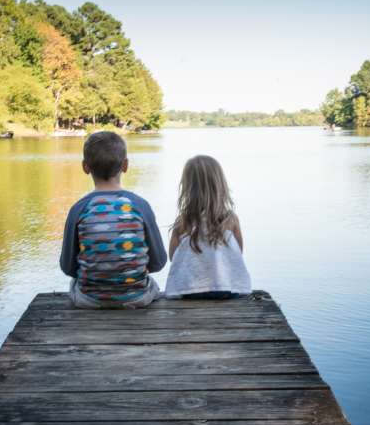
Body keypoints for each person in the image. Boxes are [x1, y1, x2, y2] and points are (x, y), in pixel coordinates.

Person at [60, 131, 167, 308]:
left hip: (90, 300)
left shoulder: (79, 209)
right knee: (153, 285)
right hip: (136, 298)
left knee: (73, 284)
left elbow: (68, 267)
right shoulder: (140, 205)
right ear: (125, 165)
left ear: (85, 167)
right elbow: (158, 262)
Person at [165, 155, 251, 299]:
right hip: (226, 290)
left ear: (187, 187)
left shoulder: (183, 222)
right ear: (220, 185)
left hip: (190, 291)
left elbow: (173, 257)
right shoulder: (231, 220)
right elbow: (238, 253)